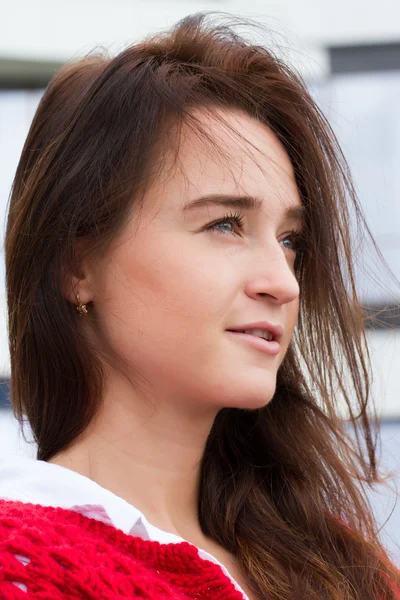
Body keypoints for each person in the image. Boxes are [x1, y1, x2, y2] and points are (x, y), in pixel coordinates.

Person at [0, 11, 399, 600]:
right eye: (224, 224)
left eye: (290, 240)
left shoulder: (344, 565)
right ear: (77, 267)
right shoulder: (23, 563)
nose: (282, 283)